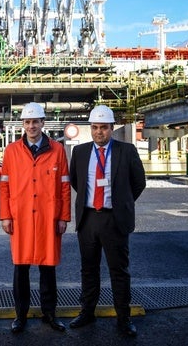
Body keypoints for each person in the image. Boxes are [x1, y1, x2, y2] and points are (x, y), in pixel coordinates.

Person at [69, 105, 146, 337]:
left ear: (112, 128)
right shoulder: (80, 153)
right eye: (94, 128)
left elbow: (138, 182)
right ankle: (87, 312)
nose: (99, 132)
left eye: (103, 128)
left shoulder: (127, 150)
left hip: (115, 220)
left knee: (119, 271)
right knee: (88, 270)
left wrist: (121, 202)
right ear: (90, 129)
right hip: (89, 218)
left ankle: (124, 318)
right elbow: (76, 182)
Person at [0, 102, 71, 334]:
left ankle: (50, 314)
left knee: (47, 268)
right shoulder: (11, 151)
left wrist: (64, 217)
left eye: (35, 122)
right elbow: (4, 186)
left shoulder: (57, 150)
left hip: (48, 217)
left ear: (43, 123)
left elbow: (64, 186)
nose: (32, 126)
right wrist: (5, 216)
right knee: (20, 269)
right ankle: (20, 316)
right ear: (23, 124)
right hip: (19, 218)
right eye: (28, 122)